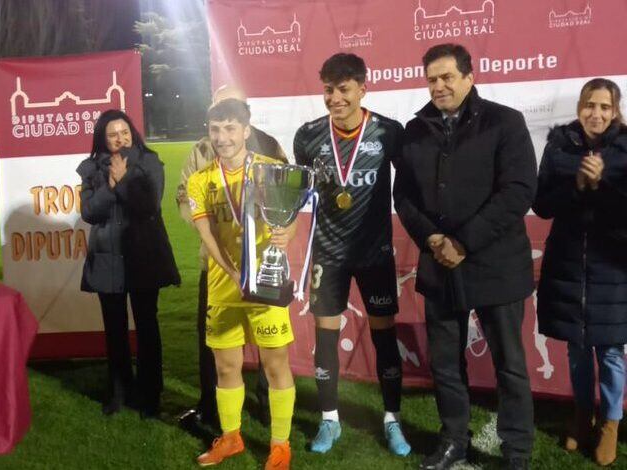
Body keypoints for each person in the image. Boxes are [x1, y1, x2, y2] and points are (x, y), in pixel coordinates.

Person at [393, 43, 537, 470]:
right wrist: (434, 238)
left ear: (469, 77)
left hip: (497, 264)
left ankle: (517, 451)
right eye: (432, 80)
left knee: (510, 365)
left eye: (447, 78)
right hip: (439, 263)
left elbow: (518, 190)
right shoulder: (415, 129)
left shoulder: (505, 122)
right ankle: (454, 440)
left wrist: (463, 242)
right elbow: (404, 197)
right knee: (445, 364)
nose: (439, 87)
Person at [293, 53, 410, 456]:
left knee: (384, 337)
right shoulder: (307, 136)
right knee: (325, 339)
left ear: (363, 87)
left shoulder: (389, 132)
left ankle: (392, 418)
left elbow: (409, 186)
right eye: (328, 90)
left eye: (344, 89)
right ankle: (330, 420)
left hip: (375, 253)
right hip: (329, 253)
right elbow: (297, 194)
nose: (335, 98)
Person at [188, 98, 296, 469]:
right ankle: (231, 437)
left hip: (266, 283)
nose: (223, 137)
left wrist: (287, 235)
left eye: (231, 128)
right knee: (226, 367)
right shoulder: (200, 181)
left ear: (246, 130)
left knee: (276, 364)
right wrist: (233, 273)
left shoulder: (270, 170)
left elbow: (289, 218)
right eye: (216, 130)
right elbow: (206, 235)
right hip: (224, 286)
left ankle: (280, 445)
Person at [533, 78, 627, 467]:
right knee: (575, 348)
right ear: (579, 109)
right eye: (590, 105)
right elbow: (541, 205)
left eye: (605, 107)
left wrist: (602, 182)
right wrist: (576, 183)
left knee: (610, 351)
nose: (597, 114)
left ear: (616, 111)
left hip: (613, 266)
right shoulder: (559, 147)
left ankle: (610, 424)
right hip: (567, 262)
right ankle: (580, 415)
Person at [77, 109, 180, 419]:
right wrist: (109, 188)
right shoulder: (91, 168)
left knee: (147, 327)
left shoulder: (149, 161)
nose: (119, 138)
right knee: (115, 330)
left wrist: (122, 182)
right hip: (107, 260)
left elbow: (149, 206)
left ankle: (150, 395)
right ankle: (119, 391)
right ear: (102, 139)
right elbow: (89, 212)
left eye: (124, 132)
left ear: (132, 133)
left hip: (143, 256)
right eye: (112, 134)